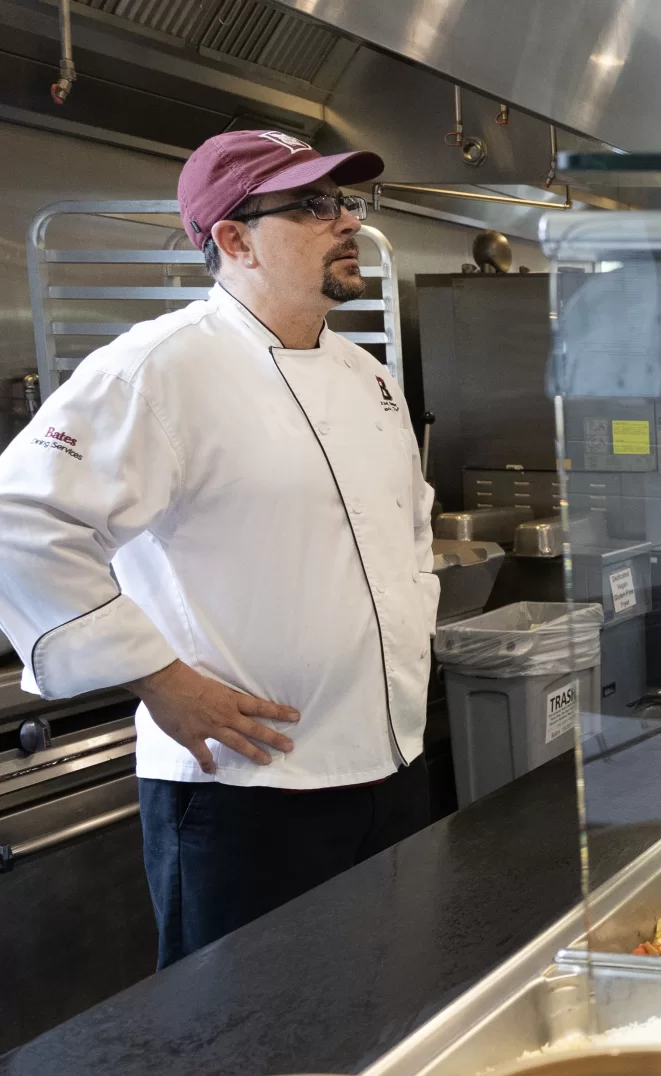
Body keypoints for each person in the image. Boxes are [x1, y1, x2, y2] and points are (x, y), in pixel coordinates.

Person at [0, 132, 438, 967]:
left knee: (385, 1016)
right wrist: (160, 679)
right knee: (247, 1057)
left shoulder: (369, 378)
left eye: (345, 202)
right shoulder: (158, 370)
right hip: (245, 793)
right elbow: (17, 521)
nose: (345, 221)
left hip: (387, 763)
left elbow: (408, 523)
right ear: (233, 239)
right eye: (312, 206)